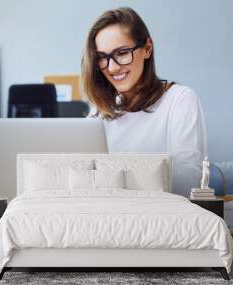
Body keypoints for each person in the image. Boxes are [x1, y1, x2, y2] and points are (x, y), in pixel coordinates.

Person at [81, 7, 207, 197]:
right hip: (107, 216)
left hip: (160, 218)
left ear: (147, 48)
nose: (113, 67)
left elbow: (186, 184)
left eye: (122, 52)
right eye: (102, 58)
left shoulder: (179, 100)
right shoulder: (98, 113)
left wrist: (117, 182)